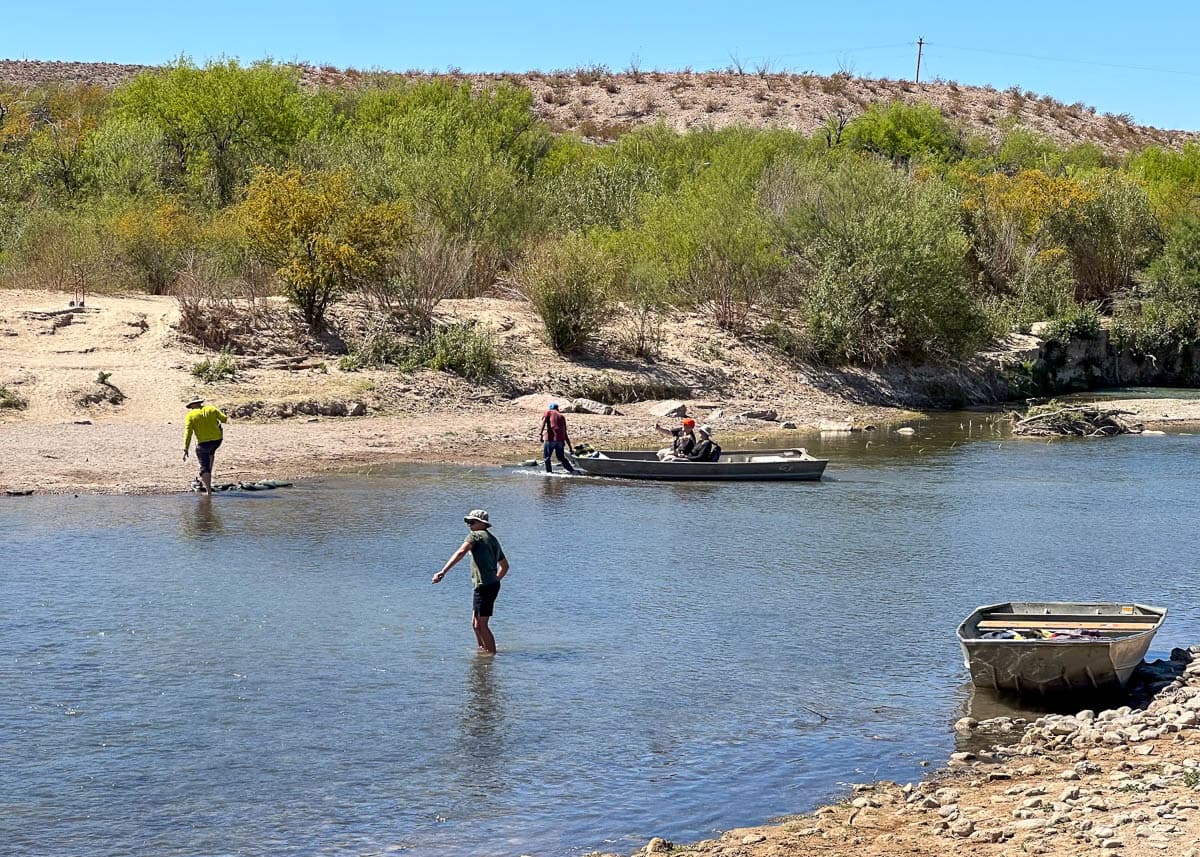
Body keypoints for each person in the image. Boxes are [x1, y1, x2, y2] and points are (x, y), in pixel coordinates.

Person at [432, 509, 509, 655]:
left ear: (482, 524)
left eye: (472, 522)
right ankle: (482, 651)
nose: (469, 525)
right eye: (468, 522)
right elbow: (505, 566)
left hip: (484, 586)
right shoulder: (493, 539)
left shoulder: (474, 537)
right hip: (489, 585)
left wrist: (443, 571)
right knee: (475, 624)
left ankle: (491, 657)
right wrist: (495, 580)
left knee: (482, 624)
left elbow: (460, 552)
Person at [183, 397, 229, 495]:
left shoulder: (190, 416)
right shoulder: (211, 409)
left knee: (204, 466)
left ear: (192, 405)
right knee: (211, 454)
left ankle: (208, 491)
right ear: (200, 403)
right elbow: (224, 419)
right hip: (217, 441)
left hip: (203, 443)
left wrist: (186, 448)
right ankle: (208, 476)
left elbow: (188, 432)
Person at [538, 402, 576, 474]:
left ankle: (549, 473)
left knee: (547, 458)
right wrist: (570, 447)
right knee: (561, 457)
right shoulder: (561, 416)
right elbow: (565, 432)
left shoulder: (548, 412)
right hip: (560, 441)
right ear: (557, 409)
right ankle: (571, 471)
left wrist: (540, 434)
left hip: (550, 439)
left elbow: (543, 422)